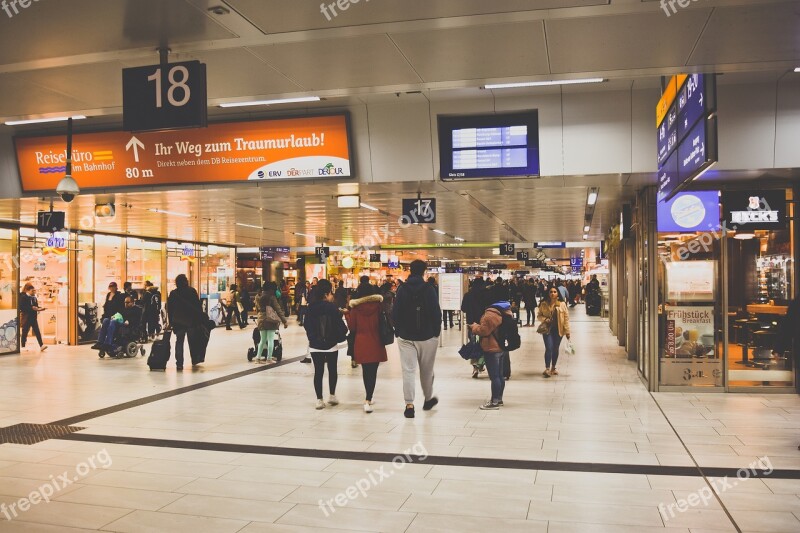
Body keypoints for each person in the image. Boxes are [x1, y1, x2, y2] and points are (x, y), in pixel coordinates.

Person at [393, 260, 442, 418]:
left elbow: (395, 312)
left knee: (408, 370)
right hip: (427, 336)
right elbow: (436, 311)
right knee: (427, 371)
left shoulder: (402, 289)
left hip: (406, 336)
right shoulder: (429, 289)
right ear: (424, 272)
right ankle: (428, 399)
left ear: (410, 270)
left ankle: (409, 404)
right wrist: (436, 332)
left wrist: (398, 331)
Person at [304, 279, 348, 409]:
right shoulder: (332, 307)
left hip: (315, 345)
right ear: (326, 293)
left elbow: (307, 325)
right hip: (331, 344)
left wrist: (312, 337)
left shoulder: (311, 308)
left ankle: (319, 399)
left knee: (318, 372)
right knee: (332, 369)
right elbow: (339, 325)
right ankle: (332, 395)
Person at [346, 284, 388, 413]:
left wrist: (347, 314)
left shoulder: (355, 308)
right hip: (376, 342)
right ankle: (369, 398)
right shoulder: (379, 306)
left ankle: (367, 399)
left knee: (366, 372)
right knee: (373, 372)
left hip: (361, 342)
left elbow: (352, 327)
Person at [470, 300, 513, 410]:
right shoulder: (506, 312)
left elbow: (484, 331)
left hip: (491, 348)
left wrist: (474, 327)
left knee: (494, 377)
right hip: (502, 347)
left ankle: (494, 402)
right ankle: (499, 399)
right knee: (499, 375)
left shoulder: (490, 314)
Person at [167, 274, 206, 371]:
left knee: (179, 342)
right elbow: (197, 306)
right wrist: (200, 318)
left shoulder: (173, 294)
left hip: (178, 321)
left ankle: (179, 363)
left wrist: (171, 321)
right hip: (191, 321)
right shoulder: (191, 291)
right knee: (193, 342)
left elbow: (170, 309)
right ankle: (194, 359)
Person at [537, 286, 571, 377]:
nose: (553, 293)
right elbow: (539, 316)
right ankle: (547, 368)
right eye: (551, 292)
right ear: (548, 293)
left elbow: (566, 318)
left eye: (555, 292)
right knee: (548, 348)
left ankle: (553, 367)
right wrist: (544, 319)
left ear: (557, 294)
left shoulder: (562, 304)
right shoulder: (543, 304)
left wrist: (567, 331)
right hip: (547, 330)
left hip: (558, 330)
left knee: (555, 348)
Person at [255, 282, 288, 364]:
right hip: (270, 320)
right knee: (270, 340)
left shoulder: (258, 296)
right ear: (271, 289)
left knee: (262, 340)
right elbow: (278, 310)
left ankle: (257, 358)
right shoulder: (272, 297)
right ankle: (269, 358)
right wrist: (284, 321)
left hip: (261, 319)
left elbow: (256, 308)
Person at [461, 281, 486, 378]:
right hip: (482, 324)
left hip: (471, 324)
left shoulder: (468, 295)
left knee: (473, 344)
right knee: (483, 344)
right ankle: (480, 364)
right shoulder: (484, 295)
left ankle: (475, 366)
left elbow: (463, 308)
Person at [19, 283, 46, 352]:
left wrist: (40, 308)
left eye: (34, 290)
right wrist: (32, 308)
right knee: (25, 331)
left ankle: (41, 345)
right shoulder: (23, 297)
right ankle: (23, 346)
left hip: (33, 317)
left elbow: (36, 306)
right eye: (32, 291)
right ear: (27, 290)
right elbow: (22, 307)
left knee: (37, 331)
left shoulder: (34, 298)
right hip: (26, 317)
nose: (34, 292)